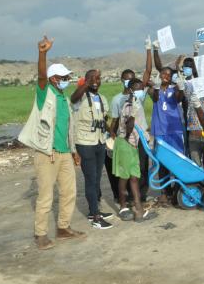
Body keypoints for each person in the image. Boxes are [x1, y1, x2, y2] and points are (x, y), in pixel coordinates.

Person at [18, 35, 85, 250]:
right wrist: (42, 53)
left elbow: (67, 128)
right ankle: (40, 234)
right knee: (45, 196)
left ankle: (63, 228)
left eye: (68, 76)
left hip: (64, 153)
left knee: (69, 192)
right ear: (54, 78)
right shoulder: (44, 93)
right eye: (63, 76)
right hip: (47, 153)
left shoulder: (63, 99)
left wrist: (73, 150)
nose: (67, 79)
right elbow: (40, 76)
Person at [69, 69, 112, 230]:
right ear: (86, 80)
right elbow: (73, 99)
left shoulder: (101, 98)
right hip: (85, 143)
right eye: (92, 78)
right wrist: (86, 84)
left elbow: (102, 119)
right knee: (90, 179)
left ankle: (94, 210)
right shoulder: (80, 98)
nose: (96, 81)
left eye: (98, 78)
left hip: (99, 141)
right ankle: (95, 217)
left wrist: (111, 132)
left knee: (96, 179)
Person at [112, 79, 156, 222]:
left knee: (133, 177)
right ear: (130, 89)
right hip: (126, 144)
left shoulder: (135, 103)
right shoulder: (129, 104)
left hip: (132, 144)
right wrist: (132, 117)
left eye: (140, 88)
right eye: (136, 88)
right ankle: (126, 207)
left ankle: (138, 209)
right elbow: (129, 125)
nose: (139, 90)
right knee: (126, 177)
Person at [151, 66, 185, 205]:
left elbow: (178, 99)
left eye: (169, 74)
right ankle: (165, 192)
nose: (166, 76)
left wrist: (181, 88)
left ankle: (177, 190)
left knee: (177, 161)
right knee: (162, 162)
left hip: (175, 129)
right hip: (160, 130)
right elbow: (154, 98)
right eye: (163, 73)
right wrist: (157, 88)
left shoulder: (174, 88)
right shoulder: (154, 89)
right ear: (159, 75)